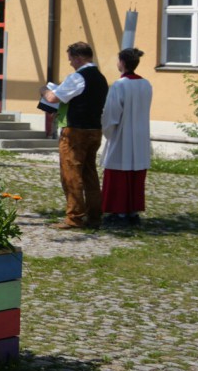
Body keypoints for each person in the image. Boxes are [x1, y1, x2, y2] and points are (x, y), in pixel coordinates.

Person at [44, 40, 109, 231]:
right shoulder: (100, 77)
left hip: (75, 131)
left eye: (71, 59)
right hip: (94, 129)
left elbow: (52, 97)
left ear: (79, 58)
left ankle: (74, 217)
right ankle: (95, 215)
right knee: (90, 173)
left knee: (71, 173)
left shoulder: (78, 77)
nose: (70, 63)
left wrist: (44, 90)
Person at [101, 47, 152, 226]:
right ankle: (132, 211)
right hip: (140, 134)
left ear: (122, 62)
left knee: (119, 172)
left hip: (122, 134)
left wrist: (108, 131)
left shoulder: (119, 85)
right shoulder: (146, 84)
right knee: (136, 172)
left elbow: (112, 114)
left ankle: (119, 211)